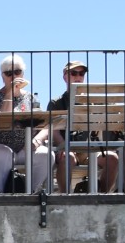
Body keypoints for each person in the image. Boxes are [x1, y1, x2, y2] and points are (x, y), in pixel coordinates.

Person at [43, 61, 120, 192]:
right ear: (65, 77)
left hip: (91, 150)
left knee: (112, 158)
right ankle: (65, 197)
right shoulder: (57, 103)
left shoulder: (93, 102)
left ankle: (102, 196)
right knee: (67, 157)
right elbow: (53, 131)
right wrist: (64, 146)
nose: (78, 77)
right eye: (73, 73)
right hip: (67, 148)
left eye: (81, 73)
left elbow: (106, 120)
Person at [0, 54, 44, 193]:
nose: (13, 76)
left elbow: (44, 123)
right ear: (2, 76)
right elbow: (2, 120)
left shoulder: (31, 98)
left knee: (46, 154)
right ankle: (0, 195)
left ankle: (33, 193)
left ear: (23, 73)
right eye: (8, 73)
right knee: (4, 153)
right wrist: (10, 93)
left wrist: (37, 139)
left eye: (17, 72)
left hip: (26, 148)